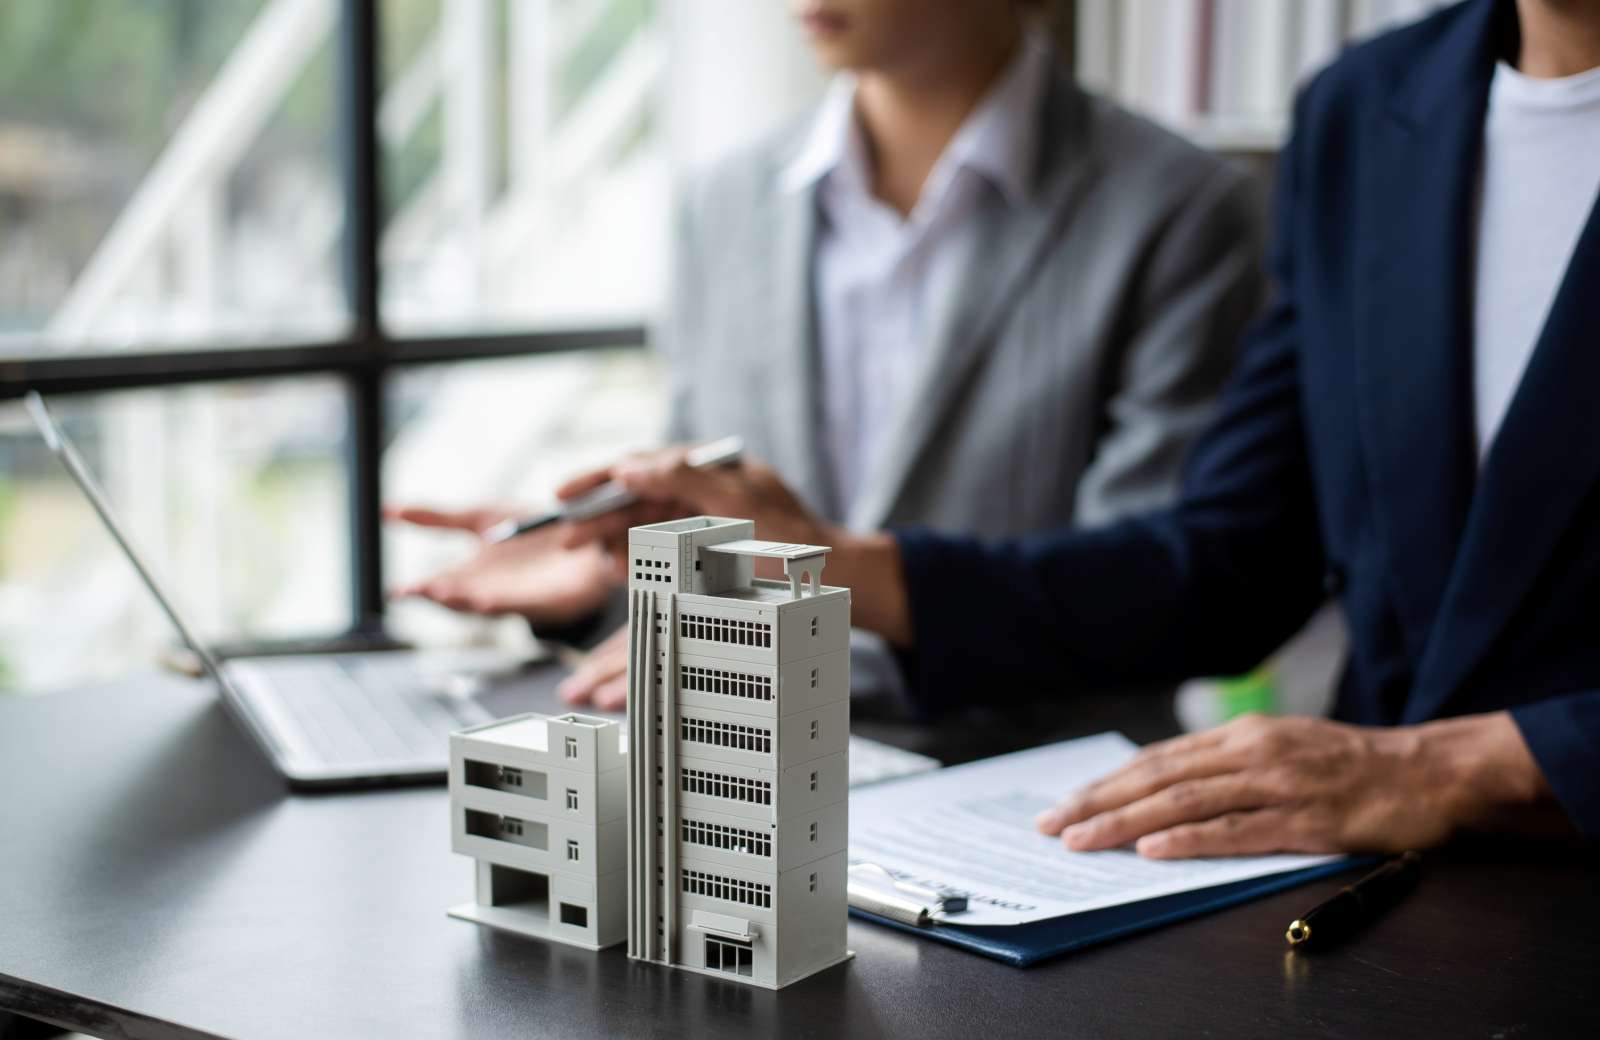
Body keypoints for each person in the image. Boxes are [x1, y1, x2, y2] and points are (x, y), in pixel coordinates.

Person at [555, 0, 1600, 854]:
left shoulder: (1178, 199)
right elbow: (1233, 564)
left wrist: (1474, 763)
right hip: (1377, 909)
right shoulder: (1363, 110)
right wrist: (837, 567)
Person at [387, 0, 1267, 715]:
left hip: (1041, 803)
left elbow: (1142, 593)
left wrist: (757, 652)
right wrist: (611, 582)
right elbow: (722, 541)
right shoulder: (723, 205)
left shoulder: (1184, 211)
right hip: (748, 793)